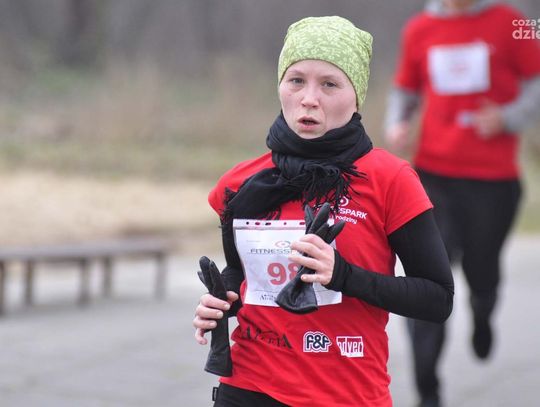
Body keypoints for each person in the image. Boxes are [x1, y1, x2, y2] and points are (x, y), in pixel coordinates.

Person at [193, 16, 454, 407]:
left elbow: (437, 299)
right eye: (296, 80)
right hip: (248, 387)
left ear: (356, 96)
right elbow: (242, 276)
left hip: (347, 393)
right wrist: (221, 303)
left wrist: (344, 275)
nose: (309, 98)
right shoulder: (241, 183)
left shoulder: (391, 179)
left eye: (329, 84)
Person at [384, 1, 540, 406]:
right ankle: (428, 390)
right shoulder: (419, 28)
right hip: (433, 177)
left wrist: (508, 116)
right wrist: (398, 121)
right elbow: (405, 89)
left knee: (480, 270)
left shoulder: (514, 22)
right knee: (427, 278)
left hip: (494, 181)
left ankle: (483, 307)